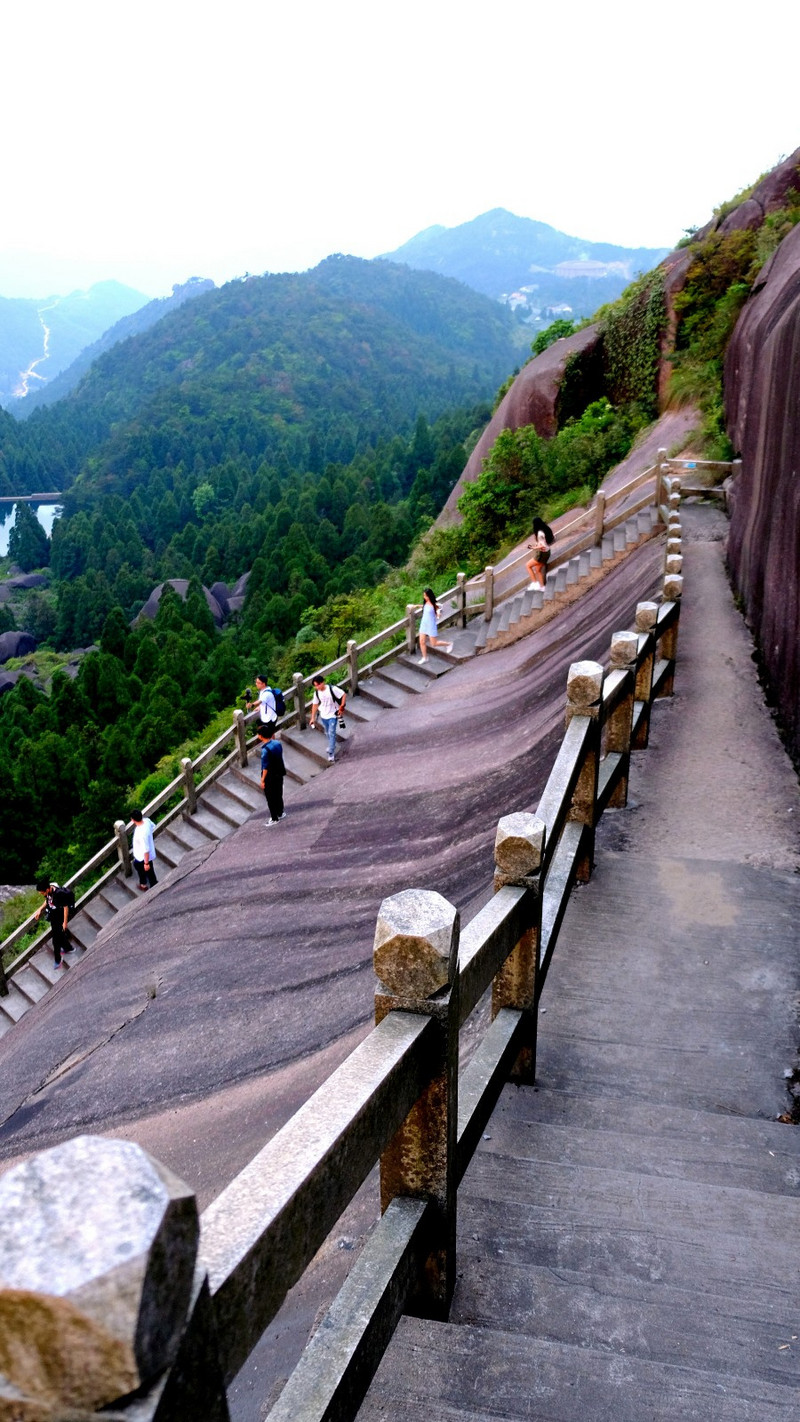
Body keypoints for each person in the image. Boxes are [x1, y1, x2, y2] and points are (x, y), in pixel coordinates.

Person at [35, 878, 75, 968]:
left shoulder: (58, 894)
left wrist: (65, 923)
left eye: (42, 893)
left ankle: (58, 959)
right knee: (58, 934)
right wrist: (40, 909)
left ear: (47, 889)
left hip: (60, 915)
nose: (42, 895)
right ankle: (69, 948)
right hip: (54, 915)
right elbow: (47, 900)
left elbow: (65, 907)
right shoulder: (49, 891)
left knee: (55, 940)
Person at [309, 674, 346, 763]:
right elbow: (315, 704)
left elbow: (344, 694)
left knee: (332, 732)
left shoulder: (332, 689)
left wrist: (342, 706)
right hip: (323, 715)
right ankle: (331, 746)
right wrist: (312, 718)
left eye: (318, 684)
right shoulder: (317, 693)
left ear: (323, 682)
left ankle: (331, 753)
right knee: (327, 733)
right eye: (315, 685)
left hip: (333, 714)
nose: (317, 687)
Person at [258, 725, 287, 825]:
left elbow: (265, 767)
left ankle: (274, 818)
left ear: (261, 736)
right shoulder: (277, 743)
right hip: (279, 772)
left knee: (270, 797)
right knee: (278, 793)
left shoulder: (265, 750)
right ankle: (281, 812)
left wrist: (262, 780)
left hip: (270, 776)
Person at [417, 588, 453, 663]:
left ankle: (448, 644)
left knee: (434, 643)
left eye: (426, 596)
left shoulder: (435, 605)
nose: (424, 597)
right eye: (424, 596)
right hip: (424, 624)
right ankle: (425, 657)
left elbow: (438, 611)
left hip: (431, 625)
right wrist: (414, 606)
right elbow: (424, 607)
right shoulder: (425, 603)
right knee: (421, 641)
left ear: (430, 596)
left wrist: (438, 614)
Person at [131, 810, 158, 890]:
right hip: (144, 855)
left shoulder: (141, 833)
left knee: (144, 869)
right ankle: (146, 883)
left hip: (142, 857)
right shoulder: (147, 821)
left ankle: (147, 885)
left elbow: (146, 850)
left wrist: (146, 864)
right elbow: (153, 826)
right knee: (148, 871)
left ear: (133, 820)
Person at [526, 517, 555, 589]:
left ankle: (535, 583)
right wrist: (536, 545)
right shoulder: (544, 529)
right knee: (537, 570)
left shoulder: (539, 533)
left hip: (542, 554)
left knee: (528, 566)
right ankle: (542, 587)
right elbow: (544, 542)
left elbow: (542, 546)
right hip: (547, 552)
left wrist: (532, 548)